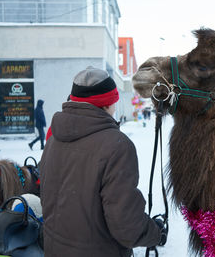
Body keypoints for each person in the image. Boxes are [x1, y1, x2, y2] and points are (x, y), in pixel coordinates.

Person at [40, 67, 166, 257]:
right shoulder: (117, 145)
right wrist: (155, 232)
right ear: (108, 103)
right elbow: (126, 224)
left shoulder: (54, 138)